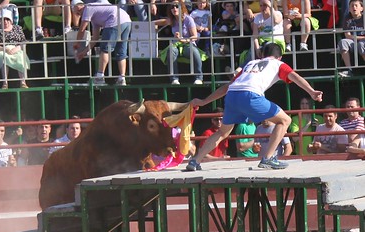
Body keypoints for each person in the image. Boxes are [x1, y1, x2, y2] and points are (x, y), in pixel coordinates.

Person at [186, 43, 323, 171]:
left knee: (222, 132)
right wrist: (312, 91)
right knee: (285, 120)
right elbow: (295, 76)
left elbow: (228, 86)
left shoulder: (250, 64)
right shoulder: (278, 64)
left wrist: (204, 101)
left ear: (261, 54)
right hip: (250, 95)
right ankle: (268, 158)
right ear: (280, 56)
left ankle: (195, 161)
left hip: (232, 96)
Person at [72, 0, 131, 86]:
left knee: (105, 49)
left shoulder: (88, 8)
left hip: (114, 20)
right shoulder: (96, 17)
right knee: (121, 51)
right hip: (126, 20)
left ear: (78, 7)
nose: (79, 15)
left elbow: (82, 29)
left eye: (78, 13)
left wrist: (77, 43)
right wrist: (83, 52)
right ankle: (122, 78)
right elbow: (95, 38)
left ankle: (100, 76)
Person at [154, 1, 203, 85]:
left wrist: (183, 39)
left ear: (181, 8)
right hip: (176, 45)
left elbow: (195, 36)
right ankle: (174, 79)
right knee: (171, 51)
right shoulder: (171, 20)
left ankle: (198, 78)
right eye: (172, 7)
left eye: (177, 6)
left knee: (195, 52)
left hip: (188, 43)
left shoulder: (188, 19)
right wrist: (155, 27)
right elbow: (155, 22)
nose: (174, 9)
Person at [0, 9, 30, 89]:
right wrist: (3, 49)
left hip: (16, 48)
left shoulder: (18, 28)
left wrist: (17, 48)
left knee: (21, 56)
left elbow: (24, 42)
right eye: (3, 19)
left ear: (11, 20)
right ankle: (5, 83)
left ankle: (23, 82)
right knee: (3, 57)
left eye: (7, 19)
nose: (5, 21)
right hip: (2, 49)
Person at [337, 0, 365, 78]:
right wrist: (361, 37)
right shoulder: (347, 18)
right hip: (353, 42)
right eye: (352, 6)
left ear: (362, 8)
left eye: (356, 5)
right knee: (343, 42)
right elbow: (347, 35)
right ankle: (350, 70)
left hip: (362, 42)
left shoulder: (364, 18)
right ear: (349, 9)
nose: (354, 7)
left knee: (361, 44)